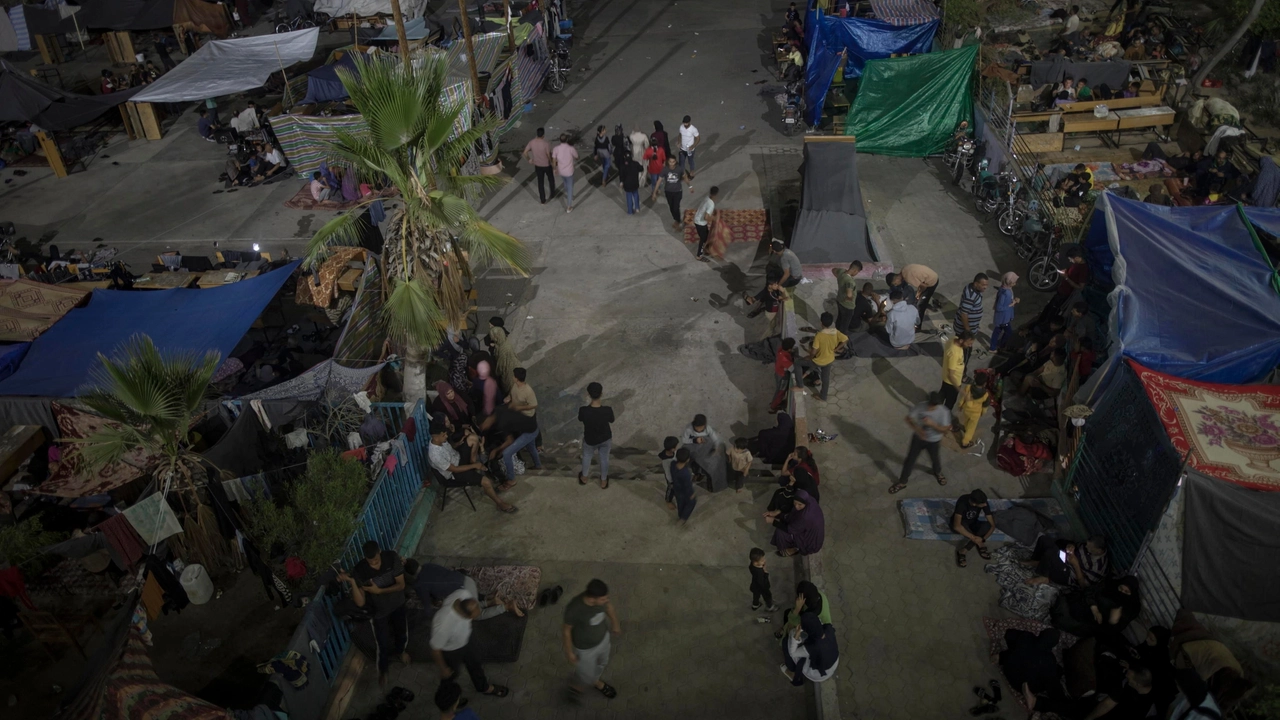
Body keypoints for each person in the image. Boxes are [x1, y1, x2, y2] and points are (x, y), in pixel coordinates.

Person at [340, 540, 409, 688]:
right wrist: (352, 582)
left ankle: (401, 651)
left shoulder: (391, 558)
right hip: (379, 611)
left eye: (376, 560)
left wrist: (379, 591)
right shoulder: (361, 570)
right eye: (370, 561)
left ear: (380, 553)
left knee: (401, 631)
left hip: (397, 604)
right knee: (382, 642)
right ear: (365, 558)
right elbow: (360, 602)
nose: (374, 564)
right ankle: (383, 670)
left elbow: (401, 585)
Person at [430, 585, 510, 698]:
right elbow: (435, 650)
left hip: (466, 640)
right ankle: (449, 699)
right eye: (473, 617)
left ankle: (483, 687)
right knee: (450, 676)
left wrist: (488, 603)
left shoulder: (463, 594)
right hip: (451, 651)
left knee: (475, 663)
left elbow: (477, 606)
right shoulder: (443, 624)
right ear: (465, 616)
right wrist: (443, 669)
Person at [428, 424, 517, 513]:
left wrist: (457, 444)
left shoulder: (439, 440)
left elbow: (449, 448)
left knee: (473, 438)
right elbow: (455, 469)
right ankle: (500, 504)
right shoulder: (435, 455)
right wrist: (474, 466)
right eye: (444, 435)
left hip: (457, 457)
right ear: (436, 438)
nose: (446, 436)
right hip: (455, 473)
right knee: (486, 482)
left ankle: (473, 462)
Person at [562, 579, 621, 700]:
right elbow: (566, 630)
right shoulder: (574, 609)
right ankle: (584, 686)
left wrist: (615, 624)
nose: (606, 601)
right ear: (592, 599)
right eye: (603, 599)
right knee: (585, 674)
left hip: (603, 639)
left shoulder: (601, 601)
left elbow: (609, 607)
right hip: (585, 649)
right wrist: (569, 652)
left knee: (602, 662)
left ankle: (593, 680)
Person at [404, 559, 520, 619]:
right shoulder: (428, 565)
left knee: (476, 615)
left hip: (464, 591)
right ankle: (490, 601)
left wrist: (431, 618)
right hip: (467, 580)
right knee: (471, 603)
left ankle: (506, 606)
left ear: (411, 574)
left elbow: (427, 606)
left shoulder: (419, 584)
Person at [889, 392, 951, 493]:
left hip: (934, 441)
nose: (930, 408)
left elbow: (945, 431)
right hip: (918, 439)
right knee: (910, 461)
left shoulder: (944, 412)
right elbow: (908, 419)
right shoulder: (921, 406)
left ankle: (938, 473)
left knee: (935, 458)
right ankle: (902, 482)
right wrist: (918, 430)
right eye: (930, 404)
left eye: (933, 406)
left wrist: (932, 424)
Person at [1050, 575, 1141, 639]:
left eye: (1126, 592)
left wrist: (1113, 622)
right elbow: (1090, 591)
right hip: (1084, 604)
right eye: (1121, 588)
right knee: (1063, 601)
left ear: (1131, 594)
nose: (1122, 592)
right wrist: (1094, 608)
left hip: (1091, 624)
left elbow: (1109, 633)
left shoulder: (1130, 609)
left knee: (1063, 620)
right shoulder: (1110, 585)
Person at [797, 312, 847, 402]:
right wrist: (836, 349)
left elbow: (814, 351)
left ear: (821, 323)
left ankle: (799, 385)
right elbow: (845, 339)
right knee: (826, 379)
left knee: (797, 363)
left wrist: (809, 357)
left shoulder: (819, 335)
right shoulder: (835, 331)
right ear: (831, 323)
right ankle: (823, 396)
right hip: (830, 359)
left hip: (818, 361)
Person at [780, 613, 839, 686]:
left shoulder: (811, 647)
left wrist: (795, 636)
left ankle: (792, 672)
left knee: (786, 642)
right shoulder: (828, 628)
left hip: (817, 674)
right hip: (832, 665)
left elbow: (793, 653)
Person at [766, 489, 824, 557]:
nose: (796, 506)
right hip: (811, 532)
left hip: (809, 541)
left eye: (800, 504)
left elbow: (790, 529)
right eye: (795, 503)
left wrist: (773, 521)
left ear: (804, 503)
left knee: (781, 532)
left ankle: (794, 548)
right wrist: (776, 514)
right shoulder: (810, 501)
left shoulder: (805, 517)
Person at [578, 382, 614, 489]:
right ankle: (603, 481)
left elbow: (580, 419)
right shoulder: (607, 410)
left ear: (588, 394)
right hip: (605, 438)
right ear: (601, 394)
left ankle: (584, 477)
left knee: (587, 457)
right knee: (604, 458)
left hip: (590, 439)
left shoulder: (583, 410)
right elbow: (611, 420)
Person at [681, 414, 727, 491]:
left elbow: (716, 439)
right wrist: (694, 440)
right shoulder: (689, 429)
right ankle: (696, 473)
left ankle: (712, 479)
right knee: (690, 456)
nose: (699, 429)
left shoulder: (708, 428)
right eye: (697, 428)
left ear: (704, 425)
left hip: (706, 446)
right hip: (693, 446)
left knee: (714, 461)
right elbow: (684, 440)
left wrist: (716, 448)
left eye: (701, 428)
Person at [952, 489, 996, 568]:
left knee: (987, 526)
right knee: (963, 528)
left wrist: (982, 539)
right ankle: (967, 549)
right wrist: (974, 538)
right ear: (974, 503)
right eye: (982, 504)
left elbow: (992, 525)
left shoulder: (983, 501)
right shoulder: (963, 502)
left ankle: (965, 549)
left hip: (973, 522)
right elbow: (957, 526)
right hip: (962, 523)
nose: (985, 505)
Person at [953, 274, 989, 362]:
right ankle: (962, 370)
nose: (985, 287)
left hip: (969, 327)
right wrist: (968, 330)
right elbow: (964, 314)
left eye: (986, 285)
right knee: (966, 350)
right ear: (976, 284)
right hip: (964, 330)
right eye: (983, 285)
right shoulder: (971, 296)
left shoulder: (972, 288)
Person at [654, 155, 690, 229]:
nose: (671, 163)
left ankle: (678, 220)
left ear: (675, 162)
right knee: (671, 207)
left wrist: (690, 186)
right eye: (670, 162)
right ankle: (676, 219)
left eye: (673, 162)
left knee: (676, 207)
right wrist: (654, 192)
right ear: (668, 162)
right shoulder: (665, 170)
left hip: (678, 191)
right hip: (668, 192)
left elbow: (685, 177)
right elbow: (659, 181)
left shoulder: (679, 169)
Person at [939, 331, 973, 410]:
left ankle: (934, 409)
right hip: (952, 382)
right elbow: (951, 375)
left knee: (942, 394)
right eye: (968, 344)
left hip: (946, 378)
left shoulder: (954, 339)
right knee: (950, 402)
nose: (970, 346)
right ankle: (944, 417)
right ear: (961, 341)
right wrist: (961, 391)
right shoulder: (954, 353)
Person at [524, 128, 555, 204]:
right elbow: (548, 155)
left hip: (538, 165)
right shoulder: (546, 144)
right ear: (543, 135)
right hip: (546, 165)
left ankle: (542, 199)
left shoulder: (531, 142)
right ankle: (552, 194)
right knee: (551, 179)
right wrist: (551, 163)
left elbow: (525, 152)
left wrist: (529, 159)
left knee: (540, 182)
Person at [832, 261, 864, 334]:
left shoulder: (841, 271)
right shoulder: (850, 282)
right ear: (855, 270)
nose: (856, 274)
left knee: (840, 318)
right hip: (847, 306)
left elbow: (833, 270)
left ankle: (836, 330)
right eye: (857, 272)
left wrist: (839, 278)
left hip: (839, 300)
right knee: (845, 323)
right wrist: (849, 299)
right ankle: (840, 338)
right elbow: (849, 294)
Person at [956, 381, 989, 449]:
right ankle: (965, 442)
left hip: (966, 410)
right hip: (976, 413)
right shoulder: (985, 395)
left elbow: (963, 398)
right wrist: (982, 413)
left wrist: (960, 405)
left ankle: (965, 428)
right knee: (971, 428)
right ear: (984, 383)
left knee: (966, 420)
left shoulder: (968, 387)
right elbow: (985, 406)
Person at [552, 133, 579, 212]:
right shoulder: (571, 148)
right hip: (569, 171)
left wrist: (554, 169)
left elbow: (554, 160)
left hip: (561, 171)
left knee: (565, 183)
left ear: (560, 140)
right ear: (567, 140)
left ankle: (569, 195)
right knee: (570, 187)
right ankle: (569, 207)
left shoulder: (556, 149)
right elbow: (577, 156)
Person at [770, 337, 796, 412]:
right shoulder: (784, 358)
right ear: (789, 349)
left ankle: (774, 403)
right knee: (780, 391)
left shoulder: (781, 350)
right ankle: (774, 406)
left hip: (778, 372)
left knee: (779, 390)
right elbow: (792, 369)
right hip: (783, 376)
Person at [670, 447, 696, 522]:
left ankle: (680, 514)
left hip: (676, 489)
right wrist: (691, 494)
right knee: (691, 503)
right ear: (688, 460)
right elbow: (688, 486)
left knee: (680, 503)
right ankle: (683, 518)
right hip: (684, 492)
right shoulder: (686, 473)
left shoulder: (673, 464)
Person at [693, 186, 718, 261]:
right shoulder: (711, 204)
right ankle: (699, 256)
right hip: (700, 223)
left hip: (697, 219)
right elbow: (706, 217)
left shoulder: (707, 198)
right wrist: (714, 219)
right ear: (716, 194)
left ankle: (707, 250)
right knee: (703, 239)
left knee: (706, 236)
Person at [658, 436, 679, 510]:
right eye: (676, 446)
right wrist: (671, 481)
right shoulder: (666, 461)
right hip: (671, 478)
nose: (677, 447)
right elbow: (668, 473)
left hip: (675, 474)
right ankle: (668, 500)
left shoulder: (673, 452)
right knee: (670, 490)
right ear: (672, 449)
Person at [677, 115, 700, 182]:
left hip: (690, 150)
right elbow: (679, 135)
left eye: (686, 123)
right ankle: (683, 175)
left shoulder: (693, 129)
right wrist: (679, 142)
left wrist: (693, 146)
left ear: (689, 122)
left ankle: (692, 174)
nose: (685, 124)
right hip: (682, 149)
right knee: (681, 163)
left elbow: (698, 138)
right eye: (684, 123)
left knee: (690, 161)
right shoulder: (681, 127)